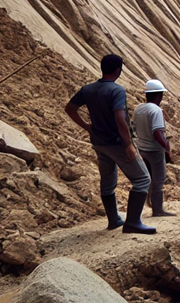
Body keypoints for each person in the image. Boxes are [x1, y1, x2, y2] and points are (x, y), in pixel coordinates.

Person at [64, 54, 155, 234]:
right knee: (143, 179)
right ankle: (133, 223)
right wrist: (128, 144)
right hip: (116, 143)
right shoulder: (116, 91)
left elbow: (70, 108)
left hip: (99, 142)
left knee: (107, 182)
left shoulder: (88, 89)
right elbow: (120, 117)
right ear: (117, 70)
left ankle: (114, 220)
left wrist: (87, 127)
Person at [133, 79, 175, 218]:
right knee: (158, 180)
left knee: (146, 179)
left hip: (141, 148)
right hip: (154, 150)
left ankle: (143, 206)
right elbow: (157, 132)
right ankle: (157, 210)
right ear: (159, 95)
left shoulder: (139, 108)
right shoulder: (156, 110)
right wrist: (166, 147)